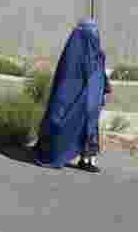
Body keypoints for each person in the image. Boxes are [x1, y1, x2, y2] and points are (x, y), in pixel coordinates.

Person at [34, 18, 112, 172]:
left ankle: (87, 160)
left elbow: (99, 72)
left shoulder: (96, 53)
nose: (94, 35)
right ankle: (53, 153)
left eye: (95, 31)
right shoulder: (73, 54)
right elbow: (67, 80)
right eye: (91, 32)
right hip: (75, 99)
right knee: (67, 123)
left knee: (90, 127)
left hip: (91, 100)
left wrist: (105, 86)